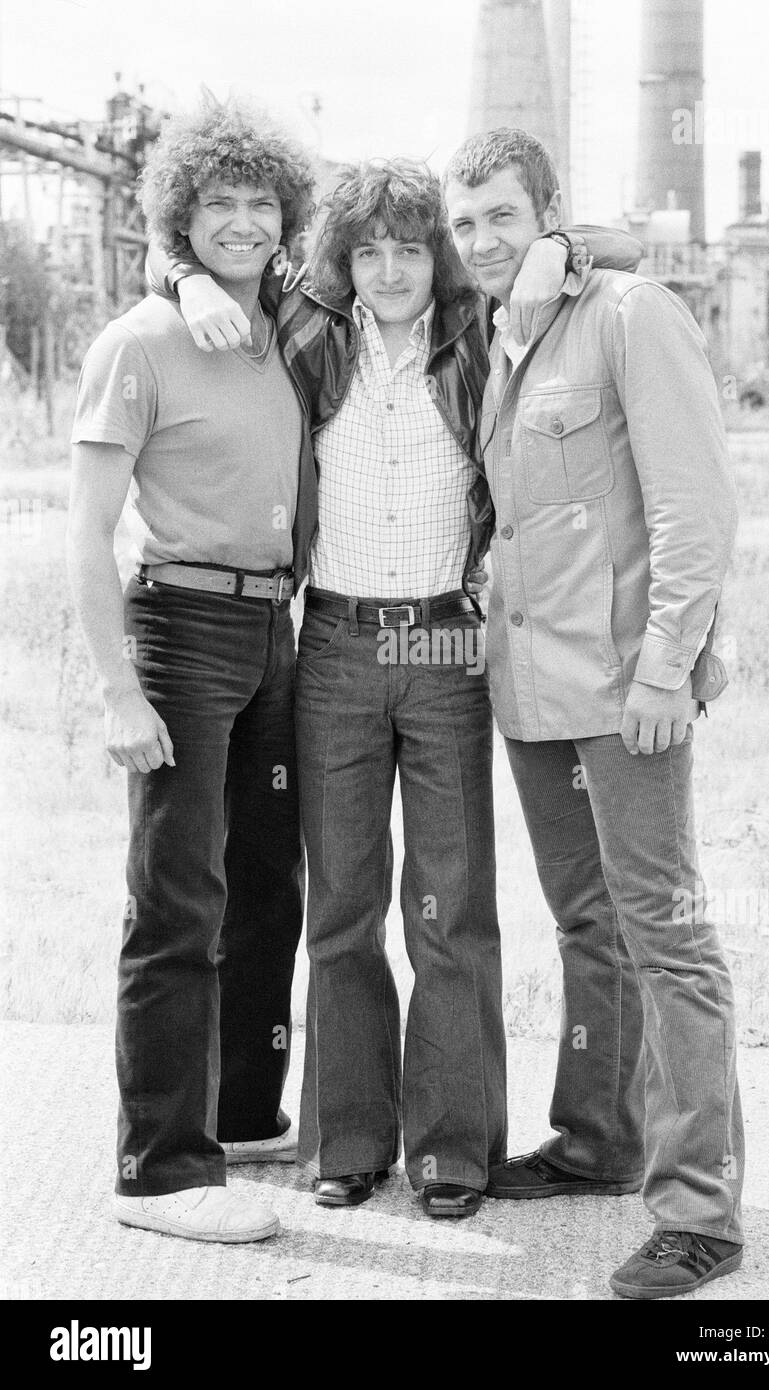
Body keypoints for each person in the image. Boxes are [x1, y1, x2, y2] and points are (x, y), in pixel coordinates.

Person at [155, 157, 642, 1217]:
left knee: (452, 906)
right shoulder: (308, 331)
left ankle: (454, 1148)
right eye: (368, 249)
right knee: (342, 902)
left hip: (444, 653)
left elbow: (627, 242)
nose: (388, 269)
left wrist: (562, 244)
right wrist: (185, 281)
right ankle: (348, 1137)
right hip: (331, 642)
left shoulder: (481, 334)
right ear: (343, 258)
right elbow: (192, 254)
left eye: (410, 248)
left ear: (441, 257)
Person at [443, 127, 744, 1296]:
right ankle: (601, 1141)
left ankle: (701, 1214)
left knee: (666, 933)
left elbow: (692, 505)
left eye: (501, 218)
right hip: (532, 693)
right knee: (588, 924)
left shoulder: (629, 314)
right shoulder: (500, 332)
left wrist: (670, 666)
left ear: (549, 214)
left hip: (628, 691)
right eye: (464, 223)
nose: (478, 242)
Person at [66, 97, 317, 1242]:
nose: (242, 221)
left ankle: (241, 1115)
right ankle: (159, 1171)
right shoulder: (140, 340)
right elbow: (87, 531)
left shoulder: (293, 329)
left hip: (278, 629)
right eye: (217, 202)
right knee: (178, 899)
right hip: (181, 626)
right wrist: (118, 687)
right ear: (181, 214)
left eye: (261, 202)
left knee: (267, 886)